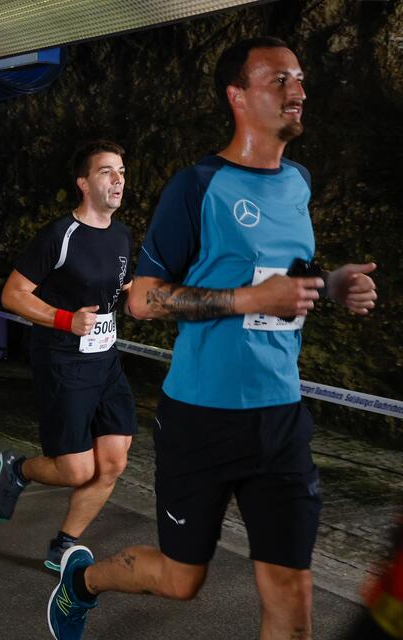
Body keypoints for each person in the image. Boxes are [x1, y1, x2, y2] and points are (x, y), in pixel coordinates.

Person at [47, 37, 378, 640]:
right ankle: (84, 581)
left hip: (280, 417)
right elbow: (143, 298)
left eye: (299, 79)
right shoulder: (197, 186)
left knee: (291, 593)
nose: (298, 91)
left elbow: (289, 279)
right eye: (279, 81)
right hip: (201, 418)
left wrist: (331, 285)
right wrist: (250, 300)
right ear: (238, 97)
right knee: (182, 579)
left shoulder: (299, 182)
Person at [0, 141, 136, 573]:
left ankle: (64, 544)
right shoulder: (60, 235)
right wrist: (62, 319)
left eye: (122, 171)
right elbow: (12, 294)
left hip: (105, 360)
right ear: (83, 183)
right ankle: (19, 469)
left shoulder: (123, 234)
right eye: (107, 172)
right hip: (62, 360)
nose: (118, 180)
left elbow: (124, 290)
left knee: (113, 460)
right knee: (76, 470)